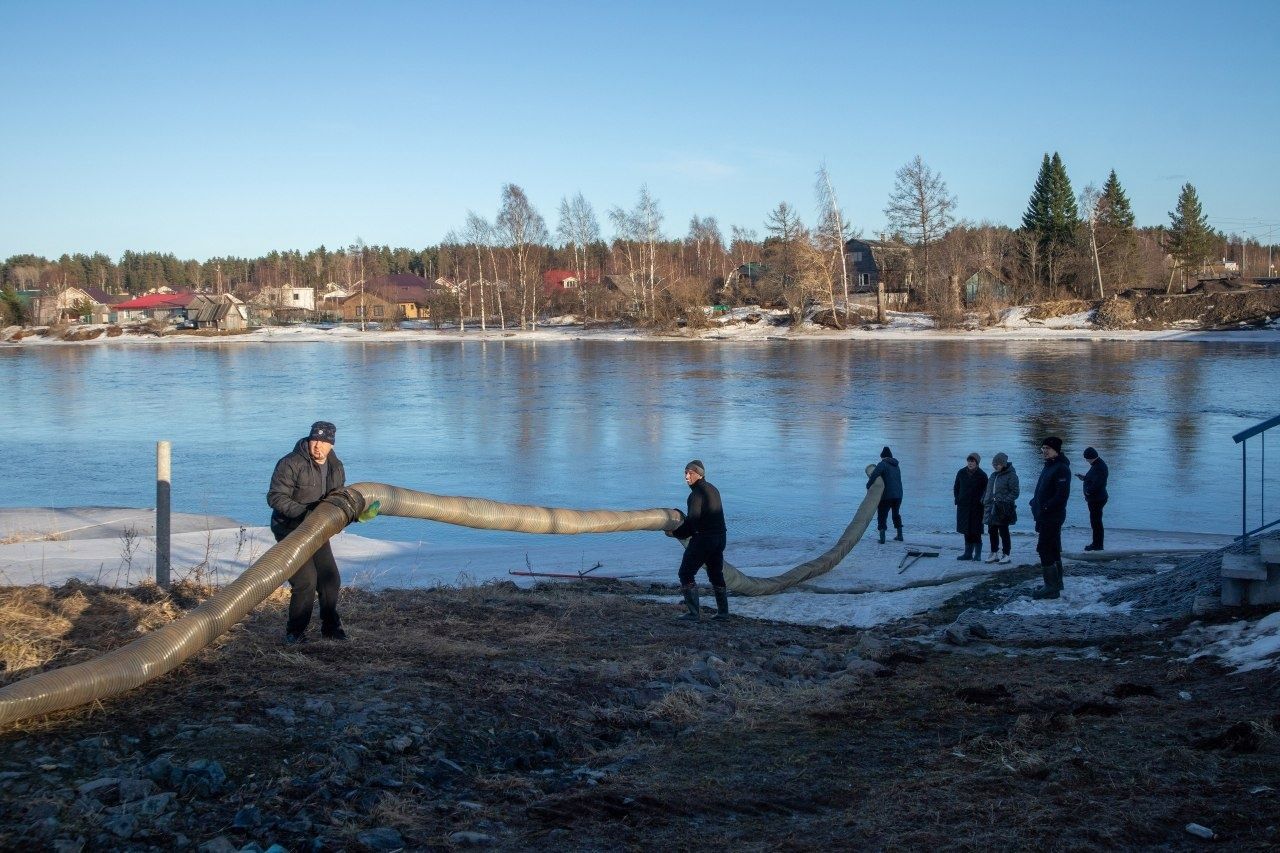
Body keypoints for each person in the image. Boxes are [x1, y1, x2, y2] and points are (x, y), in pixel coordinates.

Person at [267, 420, 348, 643]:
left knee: (330, 580)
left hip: (317, 529)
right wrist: (304, 513)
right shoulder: (290, 463)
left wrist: (352, 513)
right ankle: (295, 633)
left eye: (323, 441)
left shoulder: (335, 466)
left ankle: (331, 628)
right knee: (305, 582)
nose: (317, 446)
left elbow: (338, 499)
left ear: (331, 444)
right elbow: (275, 497)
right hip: (290, 529)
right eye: (314, 439)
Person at [665, 460, 728, 621]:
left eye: (690, 473)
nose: (686, 476)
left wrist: (675, 532)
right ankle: (723, 613)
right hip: (720, 538)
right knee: (715, 574)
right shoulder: (713, 489)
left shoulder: (696, 495)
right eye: (685, 472)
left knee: (685, 573)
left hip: (705, 539)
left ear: (700, 474)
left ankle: (693, 613)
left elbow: (692, 524)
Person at [1029, 436, 1072, 599]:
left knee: (1044, 548)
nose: (1044, 451)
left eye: (1048, 448)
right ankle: (1057, 583)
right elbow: (1043, 488)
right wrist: (1035, 502)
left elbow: (1061, 496)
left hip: (1052, 516)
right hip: (1045, 515)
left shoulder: (1061, 468)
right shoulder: (1049, 465)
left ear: (1056, 450)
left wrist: (1045, 506)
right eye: (1043, 448)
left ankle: (1051, 587)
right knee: (1053, 548)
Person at [982, 452, 1020, 564]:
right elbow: (989, 490)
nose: (995, 466)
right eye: (994, 464)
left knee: (1004, 531)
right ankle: (994, 553)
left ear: (1003, 464)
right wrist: (984, 500)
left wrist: (1003, 500)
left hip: (1004, 509)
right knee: (992, 531)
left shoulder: (1012, 475)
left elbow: (1015, 493)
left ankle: (1006, 554)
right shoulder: (993, 475)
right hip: (991, 508)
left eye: (997, 464)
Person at [953, 453, 988, 561]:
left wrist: (982, 502)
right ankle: (967, 553)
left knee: (976, 531)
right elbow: (956, 487)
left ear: (977, 463)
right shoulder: (961, 472)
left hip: (977, 507)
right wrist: (958, 499)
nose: (970, 463)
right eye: (969, 461)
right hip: (963, 506)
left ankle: (977, 554)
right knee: (966, 530)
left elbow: (986, 491)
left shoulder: (982, 475)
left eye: (972, 461)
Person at [866, 446, 904, 544]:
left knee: (882, 514)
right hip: (898, 495)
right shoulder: (896, 465)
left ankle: (882, 538)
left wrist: (868, 485)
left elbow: (874, 474)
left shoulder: (882, 464)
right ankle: (900, 535)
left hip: (886, 495)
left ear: (883, 457)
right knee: (896, 514)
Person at [1076, 446, 1109, 551]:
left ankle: (1097, 545)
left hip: (1097, 499)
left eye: (1086, 458)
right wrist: (1084, 478)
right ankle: (1097, 544)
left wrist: (1088, 491)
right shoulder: (1097, 464)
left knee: (1096, 523)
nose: (1086, 460)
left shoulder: (1099, 466)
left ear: (1090, 457)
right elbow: (1094, 478)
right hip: (1096, 498)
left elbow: (1098, 483)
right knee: (1096, 522)